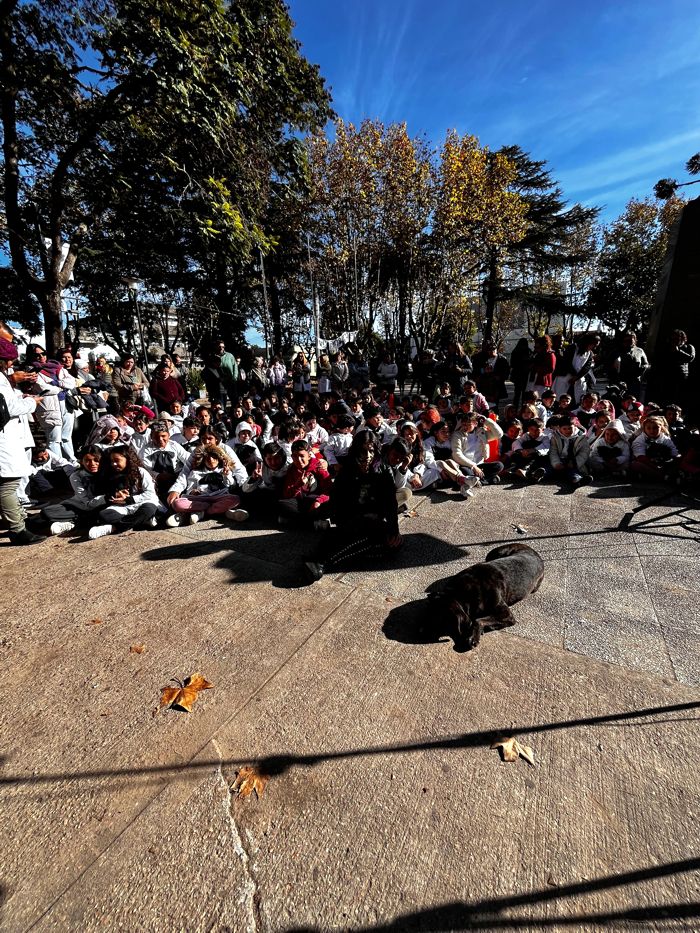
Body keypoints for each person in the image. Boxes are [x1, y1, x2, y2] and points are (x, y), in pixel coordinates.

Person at [304, 430, 402, 582]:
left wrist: (394, 531)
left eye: (371, 451)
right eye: (363, 451)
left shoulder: (384, 469)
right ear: (356, 450)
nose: (368, 456)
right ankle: (323, 561)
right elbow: (337, 500)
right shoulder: (347, 470)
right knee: (358, 535)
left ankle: (327, 557)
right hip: (350, 516)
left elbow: (390, 502)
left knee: (391, 546)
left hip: (373, 517)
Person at [0, 334, 45, 544]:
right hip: (3, 438)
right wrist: (32, 403)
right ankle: (17, 529)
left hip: (8, 435)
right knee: (8, 485)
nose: (11, 364)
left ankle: (18, 519)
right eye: (8, 360)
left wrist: (20, 396)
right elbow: (10, 408)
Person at [88, 444, 159, 539]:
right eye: (112, 461)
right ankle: (142, 520)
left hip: (141, 503)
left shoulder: (140, 472)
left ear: (128, 459)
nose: (113, 464)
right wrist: (114, 496)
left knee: (149, 509)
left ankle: (113, 528)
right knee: (104, 515)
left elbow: (150, 494)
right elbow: (102, 497)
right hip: (123, 508)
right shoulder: (111, 475)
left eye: (117, 461)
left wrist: (128, 499)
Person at [166, 444, 245, 525]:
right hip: (200, 499)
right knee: (177, 503)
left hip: (218, 497)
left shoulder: (223, 470)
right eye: (208, 458)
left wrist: (226, 475)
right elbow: (190, 488)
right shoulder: (195, 472)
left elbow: (230, 484)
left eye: (214, 457)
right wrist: (192, 492)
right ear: (203, 460)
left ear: (219, 459)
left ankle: (201, 512)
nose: (211, 460)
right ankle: (217, 510)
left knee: (235, 499)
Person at [41, 445, 104, 535]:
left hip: (100, 506)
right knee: (47, 512)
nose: (92, 464)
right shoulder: (76, 476)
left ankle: (73, 523)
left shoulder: (106, 472)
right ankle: (74, 522)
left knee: (104, 514)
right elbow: (86, 502)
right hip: (80, 506)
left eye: (96, 460)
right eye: (87, 461)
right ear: (81, 462)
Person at [450, 411, 504, 486]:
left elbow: (499, 434)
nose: (465, 426)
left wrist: (486, 421)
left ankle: (477, 481)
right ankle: (487, 479)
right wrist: (473, 466)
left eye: (468, 424)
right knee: (465, 472)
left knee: (499, 465)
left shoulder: (481, 432)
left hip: (480, 465)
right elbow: (456, 454)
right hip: (466, 466)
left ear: (475, 424)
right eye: (463, 424)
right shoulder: (457, 435)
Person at [614, 332, 648, 399]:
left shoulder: (639, 351)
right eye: (625, 341)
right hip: (620, 382)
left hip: (635, 382)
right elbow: (609, 365)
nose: (627, 342)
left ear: (635, 340)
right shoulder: (617, 351)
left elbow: (646, 364)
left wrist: (640, 370)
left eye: (630, 340)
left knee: (633, 402)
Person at [509, 338, 531, 411]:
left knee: (517, 394)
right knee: (524, 394)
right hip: (525, 375)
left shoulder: (515, 351)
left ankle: (514, 409)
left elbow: (512, 364)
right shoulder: (528, 351)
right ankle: (523, 409)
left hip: (517, 375)